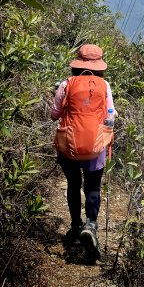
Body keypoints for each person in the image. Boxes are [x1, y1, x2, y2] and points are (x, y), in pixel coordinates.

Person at [51, 44, 115, 261]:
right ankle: (91, 225)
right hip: (95, 147)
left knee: (73, 184)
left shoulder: (66, 84)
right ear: (100, 67)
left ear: (76, 64)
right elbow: (111, 118)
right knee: (93, 187)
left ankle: (76, 226)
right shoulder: (104, 86)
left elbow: (54, 114)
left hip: (69, 146)